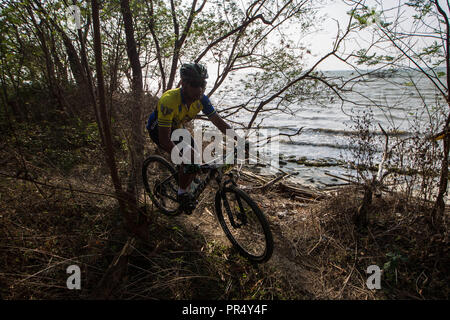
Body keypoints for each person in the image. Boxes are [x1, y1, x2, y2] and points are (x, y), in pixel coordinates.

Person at [146, 63, 239, 213]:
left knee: (195, 157)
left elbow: (218, 121)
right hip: (158, 130)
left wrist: (239, 140)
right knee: (188, 156)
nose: (200, 89)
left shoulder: (201, 99)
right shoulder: (169, 100)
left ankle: (187, 180)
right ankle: (182, 193)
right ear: (183, 84)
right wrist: (183, 158)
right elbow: (164, 140)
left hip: (177, 128)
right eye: (195, 84)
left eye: (202, 84)